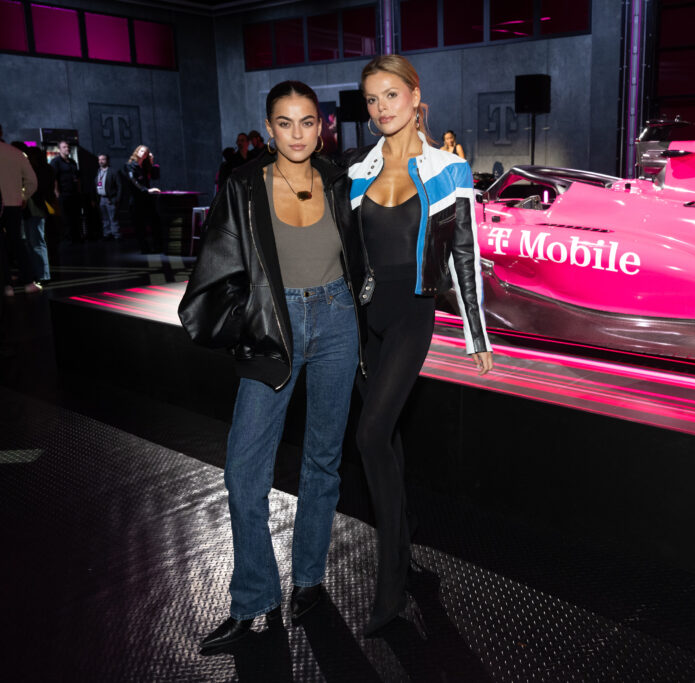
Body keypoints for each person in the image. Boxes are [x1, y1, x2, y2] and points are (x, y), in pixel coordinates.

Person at [178, 80, 365, 656]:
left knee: (322, 461)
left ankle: (308, 578)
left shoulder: (337, 180)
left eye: (307, 122)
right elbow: (217, 268)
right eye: (285, 123)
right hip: (273, 332)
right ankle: (254, 598)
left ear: (322, 126)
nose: (298, 134)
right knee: (243, 474)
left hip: (336, 322)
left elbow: (358, 252)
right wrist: (251, 319)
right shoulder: (242, 185)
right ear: (269, 126)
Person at [348, 54, 493, 636]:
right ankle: (405, 537)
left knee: (371, 433)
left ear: (414, 96)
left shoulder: (446, 169)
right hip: (366, 319)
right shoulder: (358, 173)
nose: (382, 108)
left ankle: (391, 580)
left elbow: (462, 255)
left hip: (412, 314)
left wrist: (477, 333)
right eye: (371, 100)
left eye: (390, 95)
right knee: (391, 438)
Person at [0, 133, 39, 295]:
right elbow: (32, 181)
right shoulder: (15, 153)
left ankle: (6, 285)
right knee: (17, 241)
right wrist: (23, 196)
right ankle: (29, 282)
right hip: (14, 204)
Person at [22, 145, 53, 284]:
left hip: (34, 208)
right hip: (35, 208)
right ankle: (41, 274)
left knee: (36, 242)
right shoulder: (44, 169)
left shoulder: (38, 171)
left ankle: (42, 274)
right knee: (35, 242)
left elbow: (39, 189)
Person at [124, 144, 162, 253]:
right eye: (141, 151)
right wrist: (146, 190)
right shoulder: (130, 165)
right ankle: (145, 248)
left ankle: (157, 247)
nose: (143, 154)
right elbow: (133, 181)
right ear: (136, 152)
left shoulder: (144, 167)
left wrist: (151, 161)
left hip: (147, 200)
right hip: (137, 200)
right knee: (140, 226)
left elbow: (155, 176)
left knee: (155, 223)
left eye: (145, 153)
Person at [50, 140, 83, 243]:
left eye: (68, 147)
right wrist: (57, 193)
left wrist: (79, 191)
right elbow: (54, 178)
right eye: (64, 147)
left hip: (74, 194)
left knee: (75, 217)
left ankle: (76, 237)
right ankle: (67, 239)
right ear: (59, 149)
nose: (67, 149)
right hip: (63, 194)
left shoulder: (72, 162)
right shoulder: (56, 162)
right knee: (65, 218)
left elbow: (77, 178)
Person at [93, 154, 123, 240]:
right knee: (104, 218)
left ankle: (116, 235)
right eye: (99, 160)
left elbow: (120, 186)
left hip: (111, 199)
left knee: (113, 218)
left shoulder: (113, 171)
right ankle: (107, 234)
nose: (101, 161)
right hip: (101, 198)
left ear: (107, 161)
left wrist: (117, 199)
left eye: (103, 159)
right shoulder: (98, 171)